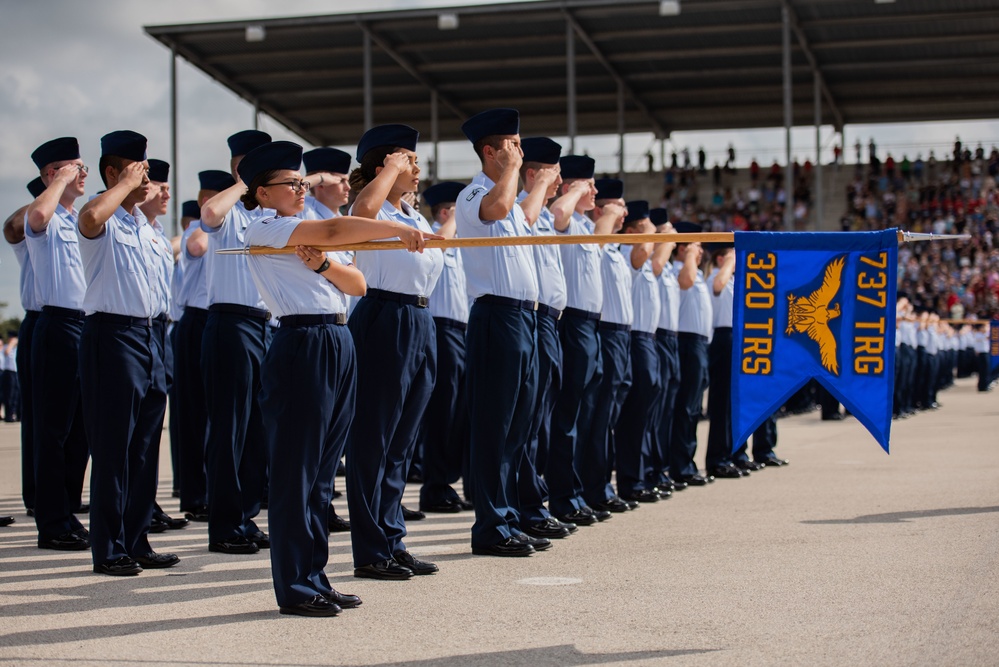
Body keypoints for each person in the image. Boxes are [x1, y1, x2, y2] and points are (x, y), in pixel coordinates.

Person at [238, 140, 435, 617]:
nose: (300, 189)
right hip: (300, 343)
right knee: (297, 472)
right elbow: (334, 226)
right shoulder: (264, 227)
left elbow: (357, 284)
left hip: (337, 338)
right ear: (263, 194)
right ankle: (295, 585)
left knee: (324, 475)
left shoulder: (305, 232)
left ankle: (315, 576)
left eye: (302, 182)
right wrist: (393, 229)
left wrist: (324, 264)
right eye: (291, 184)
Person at [345, 124, 444, 579]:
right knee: (374, 439)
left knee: (402, 441)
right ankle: (370, 550)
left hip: (420, 319)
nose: (417, 169)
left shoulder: (412, 215)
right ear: (386, 164)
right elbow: (362, 209)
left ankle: (391, 536)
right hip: (384, 316)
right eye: (410, 161)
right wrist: (388, 170)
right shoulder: (372, 208)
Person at [77, 130, 177, 575]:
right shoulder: (106, 217)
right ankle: (109, 547)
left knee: (145, 448)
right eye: (139, 170)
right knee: (114, 448)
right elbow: (89, 217)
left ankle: (137, 539)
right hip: (112, 336)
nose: (147, 178)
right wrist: (122, 185)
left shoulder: (145, 227)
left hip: (152, 336)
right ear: (113, 172)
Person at [455, 108, 543, 557]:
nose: (519, 150)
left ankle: (509, 517)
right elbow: (500, 208)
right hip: (496, 317)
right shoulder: (474, 195)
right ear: (489, 151)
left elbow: (522, 214)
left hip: (524, 318)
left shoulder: (507, 194)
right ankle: (490, 526)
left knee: (517, 427)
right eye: (511, 144)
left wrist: (539, 182)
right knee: (494, 427)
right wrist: (511, 173)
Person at [199, 129, 274, 555]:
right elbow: (209, 212)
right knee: (229, 430)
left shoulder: (264, 213)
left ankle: (245, 516)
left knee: (255, 432)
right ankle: (224, 525)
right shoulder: (229, 210)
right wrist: (243, 181)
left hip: (264, 325)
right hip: (230, 324)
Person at [24, 137, 91, 551]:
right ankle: (51, 522)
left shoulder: (76, 219)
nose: (83, 174)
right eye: (75, 168)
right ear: (52, 174)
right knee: (53, 429)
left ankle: (68, 510)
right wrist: (58, 181)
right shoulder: (46, 219)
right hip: (57, 325)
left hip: (87, 327)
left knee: (80, 430)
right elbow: (34, 215)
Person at [514, 137, 573, 540]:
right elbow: (525, 218)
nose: (559, 184)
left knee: (540, 420)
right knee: (526, 422)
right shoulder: (523, 209)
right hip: (530, 319)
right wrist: (538, 187)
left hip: (549, 322)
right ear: (533, 174)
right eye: (554, 175)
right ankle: (526, 508)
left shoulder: (539, 211)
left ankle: (533, 504)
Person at [547, 159, 607, 527]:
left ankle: (577, 491)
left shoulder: (584, 224)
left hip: (591, 326)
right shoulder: (565, 216)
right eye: (591, 185)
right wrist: (574, 190)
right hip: (572, 323)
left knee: (585, 416)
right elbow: (557, 214)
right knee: (566, 416)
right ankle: (562, 496)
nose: (595, 193)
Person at [174, 171, 235, 523]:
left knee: (220, 415)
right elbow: (196, 246)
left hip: (215, 319)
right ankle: (194, 493)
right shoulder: (198, 230)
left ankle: (215, 489)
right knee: (194, 412)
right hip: (195, 320)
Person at [299, 147, 354, 532]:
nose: (348, 185)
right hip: (308, 329)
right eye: (340, 179)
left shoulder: (340, 220)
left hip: (339, 326)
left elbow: (355, 281)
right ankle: (311, 510)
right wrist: (316, 178)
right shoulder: (304, 215)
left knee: (335, 429)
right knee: (311, 432)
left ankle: (323, 505)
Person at [137, 159, 189, 533]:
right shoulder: (108, 220)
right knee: (123, 434)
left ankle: (142, 512)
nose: (165, 192)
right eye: (157, 185)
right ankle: (117, 534)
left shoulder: (156, 234)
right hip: (121, 330)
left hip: (158, 331)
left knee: (151, 429)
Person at [577, 177, 632, 514]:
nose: (623, 213)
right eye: (618, 207)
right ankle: (591, 487)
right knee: (594, 417)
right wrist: (606, 219)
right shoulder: (592, 238)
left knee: (607, 416)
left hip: (619, 333)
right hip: (603, 329)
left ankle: (600, 485)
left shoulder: (611, 246)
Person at [418, 181, 472, 514]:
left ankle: (448, 482)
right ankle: (435, 485)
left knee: (458, 412)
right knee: (441, 411)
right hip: (439, 329)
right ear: (445, 212)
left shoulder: (461, 243)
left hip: (462, 331)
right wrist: (455, 219)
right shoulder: (434, 234)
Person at [614, 201, 663, 503]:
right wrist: (652, 234)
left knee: (646, 411)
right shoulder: (627, 251)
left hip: (649, 338)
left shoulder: (642, 257)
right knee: (634, 414)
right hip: (634, 339)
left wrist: (652, 233)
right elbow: (642, 254)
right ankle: (630, 480)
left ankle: (642, 473)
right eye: (646, 226)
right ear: (631, 231)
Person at [4, 177, 46, 515]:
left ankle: (62, 497)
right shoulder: (34, 225)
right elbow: (12, 227)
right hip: (42, 320)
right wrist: (49, 194)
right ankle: (38, 499)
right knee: (41, 420)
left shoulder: (65, 221)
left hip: (76, 323)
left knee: (69, 424)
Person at [670, 222, 715, 487]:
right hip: (686, 343)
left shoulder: (695, 272)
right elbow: (684, 282)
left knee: (693, 408)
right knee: (685, 407)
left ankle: (687, 461)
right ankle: (681, 465)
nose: (701, 253)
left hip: (699, 344)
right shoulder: (680, 270)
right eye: (697, 246)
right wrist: (688, 252)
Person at [647, 209, 683, 493]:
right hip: (654, 336)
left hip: (671, 338)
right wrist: (666, 240)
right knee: (653, 410)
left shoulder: (669, 266)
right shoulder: (652, 259)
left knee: (667, 407)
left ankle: (661, 467)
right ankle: (650, 470)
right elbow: (655, 263)